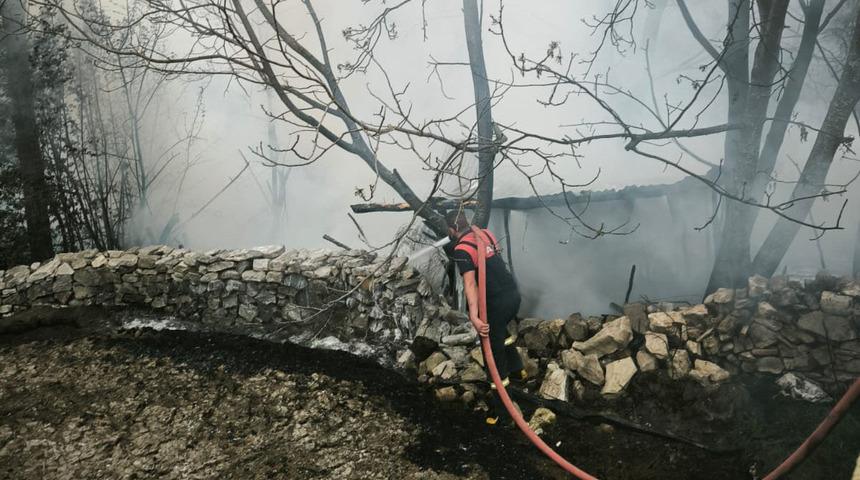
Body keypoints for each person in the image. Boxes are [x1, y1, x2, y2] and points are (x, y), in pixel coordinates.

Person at [445, 209, 525, 425]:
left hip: (495, 305)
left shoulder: (462, 250)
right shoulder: (485, 234)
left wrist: (474, 316)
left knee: (493, 359)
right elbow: (493, 259)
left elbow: (470, 284)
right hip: (513, 296)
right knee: (502, 333)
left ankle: (504, 414)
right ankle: (518, 370)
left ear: (452, 230)